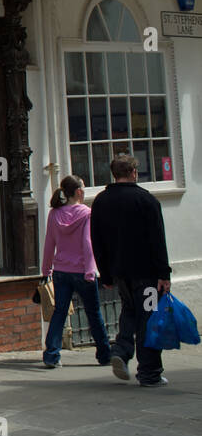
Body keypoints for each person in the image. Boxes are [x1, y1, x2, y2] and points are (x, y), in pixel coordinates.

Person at [91, 153, 172, 387]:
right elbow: (158, 240)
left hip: (120, 273)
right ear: (134, 172)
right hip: (146, 274)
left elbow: (96, 240)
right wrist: (163, 274)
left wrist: (105, 273)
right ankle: (149, 372)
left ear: (114, 174)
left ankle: (121, 350)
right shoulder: (146, 200)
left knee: (129, 310)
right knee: (148, 318)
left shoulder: (101, 201)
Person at [40, 175, 111, 368]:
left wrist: (46, 270)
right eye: (84, 188)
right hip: (82, 271)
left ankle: (51, 355)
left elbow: (49, 244)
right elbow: (88, 244)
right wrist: (90, 271)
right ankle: (104, 355)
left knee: (59, 312)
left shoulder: (54, 214)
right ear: (78, 192)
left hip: (61, 271)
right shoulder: (87, 213)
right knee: (94, 313)